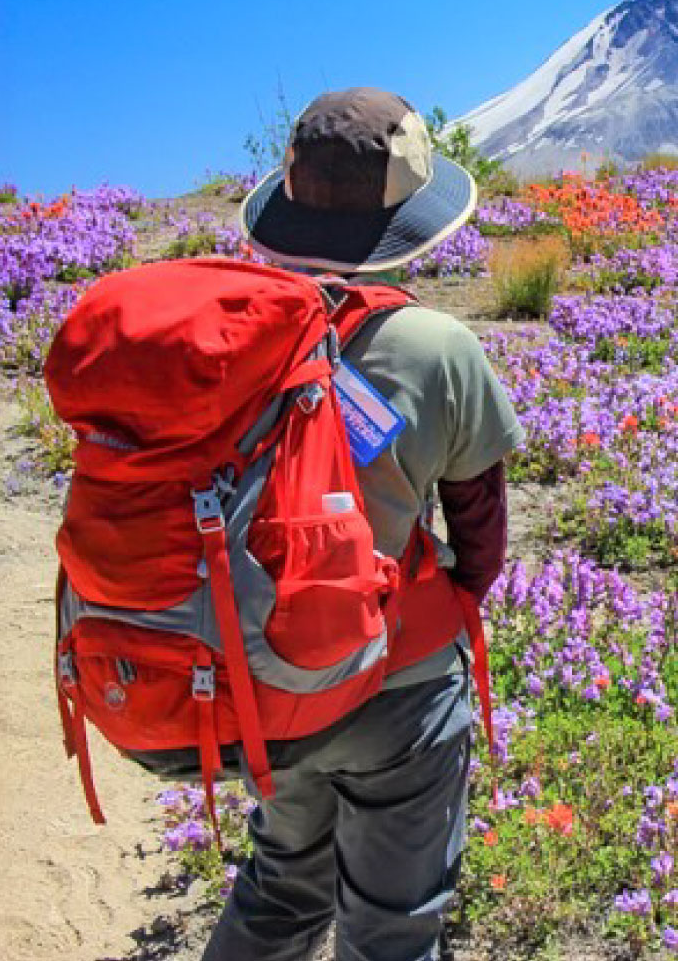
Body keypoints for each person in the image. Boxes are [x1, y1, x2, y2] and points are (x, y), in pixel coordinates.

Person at [202, 87, 523, 961]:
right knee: (394, 921)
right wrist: (443, 603)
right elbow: (480, 530)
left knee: (280, 886)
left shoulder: (223, 333)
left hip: (264, 667)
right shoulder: (434, 346)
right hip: (396, 678)